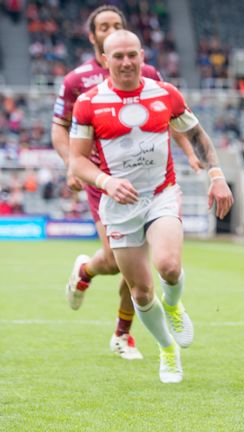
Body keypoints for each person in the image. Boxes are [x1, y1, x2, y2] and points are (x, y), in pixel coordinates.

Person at [69, 30, 234, 383]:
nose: (126, 62)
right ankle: (167, 349)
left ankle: (173, 305)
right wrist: (107, 182)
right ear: (104, 59)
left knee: (169, 267)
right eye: (118, 56)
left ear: (143, 56)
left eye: (132, 55)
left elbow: (196, 136)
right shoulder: (88, 103)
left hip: (161, 193)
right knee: (141, 291)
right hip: (119, 204)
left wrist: (216, 174)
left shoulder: (165, 93)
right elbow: (77, 162)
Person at [52, 5, 202, 360]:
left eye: (117, 25)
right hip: (100, 180)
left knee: (146, 265)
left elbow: (169, 115)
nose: (111, 29)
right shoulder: (77, 82)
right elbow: (60, 128)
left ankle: (123, 333)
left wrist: (191, 151)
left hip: (149, 183)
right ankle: (87, 271)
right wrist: (72, 167)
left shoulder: (144, 71)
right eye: (104, 27)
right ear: (93, 39)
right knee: (122, 262)